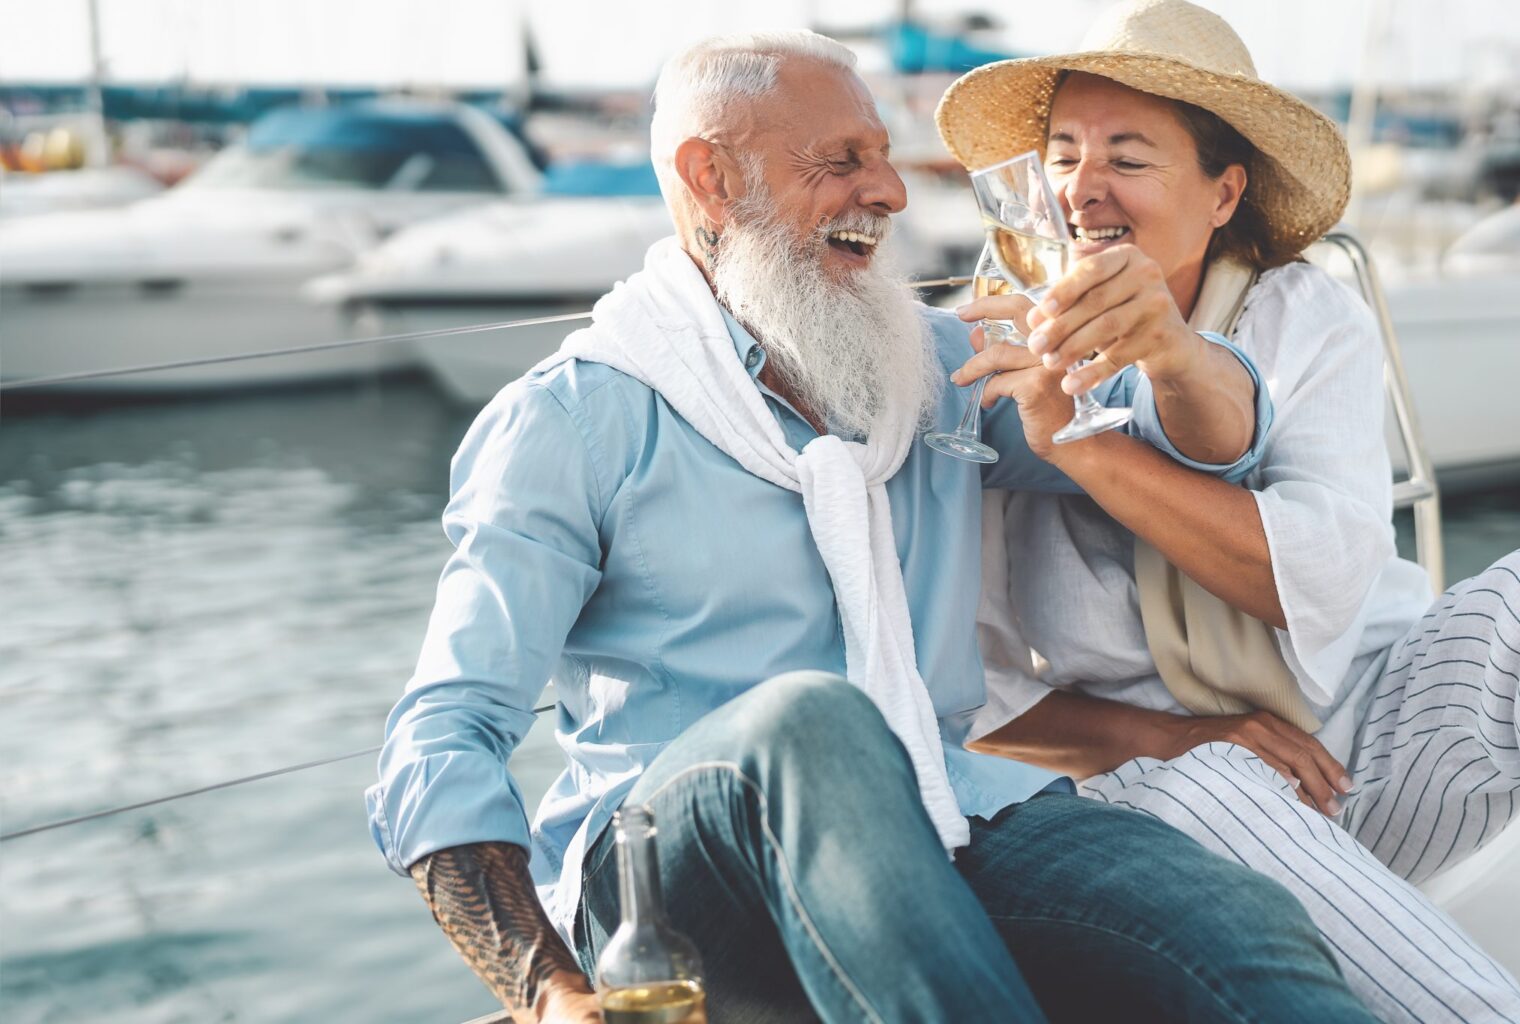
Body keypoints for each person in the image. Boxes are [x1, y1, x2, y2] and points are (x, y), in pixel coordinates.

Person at [366, 29, 1378, 1024]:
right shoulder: (579, 417)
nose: (890, 194)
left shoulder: (934, 370)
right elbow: (442, 736)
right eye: (842, 161)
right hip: (675, 875)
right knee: (816, 722)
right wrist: (546, 991)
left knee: (1223, 915)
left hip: (942, 816)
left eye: (886, 161)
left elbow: (1208, 444)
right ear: (711, 180)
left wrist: (1175, 354)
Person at [939, 2, 1520, 1023]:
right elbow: (976, 703)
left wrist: (1102, 423)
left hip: (1357, 747)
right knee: (1213, 781)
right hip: (1158, 787)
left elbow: (1307, 574)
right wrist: (1175, 736)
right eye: (1063, 154)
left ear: (1225, 193)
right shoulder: (994, 362)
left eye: (1128, 156)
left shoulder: (1303, 317)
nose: (1084, 186)